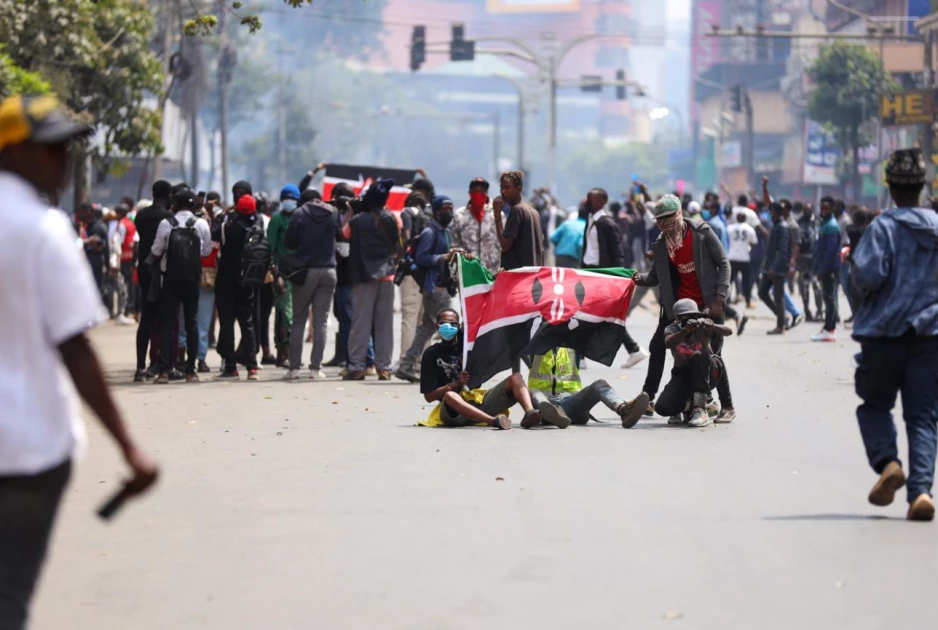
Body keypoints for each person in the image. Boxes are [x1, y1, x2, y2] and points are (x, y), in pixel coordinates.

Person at [0, 92, 158, 629]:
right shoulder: (42, 230)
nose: (63, 160)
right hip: (26, 451)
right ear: (12, 152)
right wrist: (130, 448)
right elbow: (75, 347)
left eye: (67, 147)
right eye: (50, 148)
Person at [851, 148, 938, 521]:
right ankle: (921, 492)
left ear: (890, 187)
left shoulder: (883, 227)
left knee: (874, 407)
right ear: (922, 186)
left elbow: (867, 277)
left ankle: (888, 462)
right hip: (930, 337)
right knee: (922, 416)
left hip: (884, 337)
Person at [634, 195, 731, 417]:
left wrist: (719, 299)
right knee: (658, 345)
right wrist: (633, 277)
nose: (665, 224)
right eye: (660, 220)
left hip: (707, 305)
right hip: (679, 308)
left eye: (668, 218)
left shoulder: (701, 233)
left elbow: (724, 264)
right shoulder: (661, 245)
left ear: (679, 214)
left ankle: (718, 403)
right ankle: (648, 397)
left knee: (710, 353)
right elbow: (654, 278)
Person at [420, 309, 540, 430]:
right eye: (443, 323)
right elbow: (429, 396)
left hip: (476, 401)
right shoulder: (431, 354)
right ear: (437, 326)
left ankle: (530, 413)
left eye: (453, 324)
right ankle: (493, 421)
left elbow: (475, 316)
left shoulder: (467, 345)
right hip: (453, 410)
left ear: (459, 326)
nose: (448, 327)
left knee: (516, 378)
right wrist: (455, 384)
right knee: (450, 395)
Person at [396, 195, 463, 383]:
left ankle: (406, 365)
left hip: (443, 287)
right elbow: (421, 257)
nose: (449, 212)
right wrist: (442, 257)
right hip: (434, 289)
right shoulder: (430, 232)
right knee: (450, 328)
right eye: (445, 208)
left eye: (451, 207)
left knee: (425, 329)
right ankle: (453, 369)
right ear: (435, 211)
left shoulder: (445, 232)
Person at [580, 187, 649, 368]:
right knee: (599, 315)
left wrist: (617, 278)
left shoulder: (606, 224)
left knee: (590, 314)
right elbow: (589, 251)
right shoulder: (591, 220)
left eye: (591, 199)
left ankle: (580, 356)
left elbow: (618, 253)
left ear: (601, 202)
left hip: (603, 275)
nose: (586, 203)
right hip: (590, 273)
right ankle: (633, 349)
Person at [150, 188, 213, 383]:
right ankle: (190, 371)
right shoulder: (201, 224)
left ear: (174, 204)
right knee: (192, 323)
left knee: (168, 324)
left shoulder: (166, 223)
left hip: (170, 279)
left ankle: (164, 371)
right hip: (192, 280)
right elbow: (206, 251)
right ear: (194, 205)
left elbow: (156, 250)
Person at [283, 189, 346, 380]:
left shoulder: (299, 213)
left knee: (299, 319)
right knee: (321, 321)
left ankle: (294, 369)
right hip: (329, 271)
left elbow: (289, 242)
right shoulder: (333, 213)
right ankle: (315, 369)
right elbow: (340, 235)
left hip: (305, 272)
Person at [342, 179, 400, 381]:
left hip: (364, 276)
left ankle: (357, 366)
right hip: (387, 276)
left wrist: (351, 211)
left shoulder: (357, 221)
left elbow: (344, 233)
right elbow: (398, 237)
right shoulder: (391, 218)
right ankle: (384, 367)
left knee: (361, 322)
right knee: (385, 323)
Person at [655, 299, 735, 427]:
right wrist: (685, 331)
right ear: (677, 318)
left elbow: (729, 331)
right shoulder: (672, 328)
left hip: (707, 373)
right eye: (685, 317)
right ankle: (687, 407)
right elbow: (668, 342)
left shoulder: (702, 327)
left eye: (692, 316)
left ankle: (702, 408)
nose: (690, 320)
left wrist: (712, 326)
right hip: (683, 374)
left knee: (703, 357)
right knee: (662, 407)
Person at [527, 348, 650, 429]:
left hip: (572, 403)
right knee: (534, 392)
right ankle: (553, 415)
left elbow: (592, 325)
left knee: (599, 384)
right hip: (546, 403)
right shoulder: (536, 345)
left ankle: (624, 410)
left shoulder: (572, 346)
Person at [213, 189, 261, 380]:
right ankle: (252, 366)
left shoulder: (227, 227)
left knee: (227, 324)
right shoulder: (257, 229)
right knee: (247, 324)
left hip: (226, 281)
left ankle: (231, 367)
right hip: (248, 281)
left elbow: (212, 239)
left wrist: (223, 216)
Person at [133, 181, 173, 381]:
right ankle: (159, 363)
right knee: (162, 319)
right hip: (161, 271)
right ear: (168, 196)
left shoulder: (141, 216)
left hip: (144, 269)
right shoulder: (167, 218)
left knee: (146, 320)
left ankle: (140, 367)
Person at [267, 184, 300, 367]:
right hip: (282, 272)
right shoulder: (277, 220)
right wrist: (275, 272)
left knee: (295, 314)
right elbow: (270, 249)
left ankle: (291, 352)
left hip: (298, 273)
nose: (290, 202)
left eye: (292, 199)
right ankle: (283, 352)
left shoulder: (300, 218)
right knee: (283, 313)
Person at [397, 191, 428, 364]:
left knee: (409, 316)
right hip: (426, 274)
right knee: (424, 318)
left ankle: (405, 359)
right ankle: (422, 359)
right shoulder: (429, 216)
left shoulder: (407, 212)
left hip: (411, 272)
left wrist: (403, 252)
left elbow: (407, 236)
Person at [493, 170, 544, 270]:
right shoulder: (534, 212)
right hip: (533, 275)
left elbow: (505, 245)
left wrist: (497, 214)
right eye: (501, 188)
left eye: (507, 188)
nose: (503, 192)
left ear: (518, 190)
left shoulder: (517, 211)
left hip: (519, 276)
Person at [451, 177, 501, 275]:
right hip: (468, 274)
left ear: (487, 193)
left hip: (492, 273)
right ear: (469, 193)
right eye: (475, 191)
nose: (478, 194)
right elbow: (453, 245)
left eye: (482, 191)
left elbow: (502, 244)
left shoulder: (497, 215)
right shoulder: (459, 215)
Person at [758, 201, 792, 335]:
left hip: (777, 268)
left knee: (778, 297)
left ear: (777, 212)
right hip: (769, 266)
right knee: (762, 292)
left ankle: (780, 325)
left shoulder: (783, 227)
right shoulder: (775, 225)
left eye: (771, 211)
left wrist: (774, 267)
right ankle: (782, 316)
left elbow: (783, 251)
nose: (770, 213)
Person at [812, 196, 842, 342]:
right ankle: (827, 328)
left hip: (829, 270)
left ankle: (830, 329)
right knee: (828, 298)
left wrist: (822, 271)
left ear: (832, 209)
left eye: (826, 208)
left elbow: (830, 252)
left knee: (830, 299)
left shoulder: (831, 226)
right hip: (825, 269)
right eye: (822, 207)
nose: (823, 210)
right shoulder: (825, 224)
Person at [74, 201, 109, 306]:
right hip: (79, 262)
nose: (78, 214)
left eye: (81, 212)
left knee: (95, 287)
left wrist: (107, 265)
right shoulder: (77, 227)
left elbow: (106, 248)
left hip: (94, 262)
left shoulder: (98, 227)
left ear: (88, 212)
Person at [796, 201, 823, 322]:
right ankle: (807, 311)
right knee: (804, 287)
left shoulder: (818, 221)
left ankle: (819, 311)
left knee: (817, 286)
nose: (807, 212)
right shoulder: (799, 222)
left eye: (809, 209)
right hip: (803, 259)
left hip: (815, 259)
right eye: (805, 209)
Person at [113, 202, 137, 324]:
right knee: (130, 284)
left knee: (124, 285)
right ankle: (129, 309)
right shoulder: (131, 223)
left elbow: (119, 243)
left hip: (123, 259)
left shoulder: (122, 225)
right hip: (131, 257)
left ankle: (125, 310)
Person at [727, 211, 757, 309]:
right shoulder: (750, 229)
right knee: (746, 281)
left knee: (729, 281)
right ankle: (748, 301)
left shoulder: (730, 228)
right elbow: (754, 243)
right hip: (744, 258)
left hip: (732, 257)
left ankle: (727, 301)